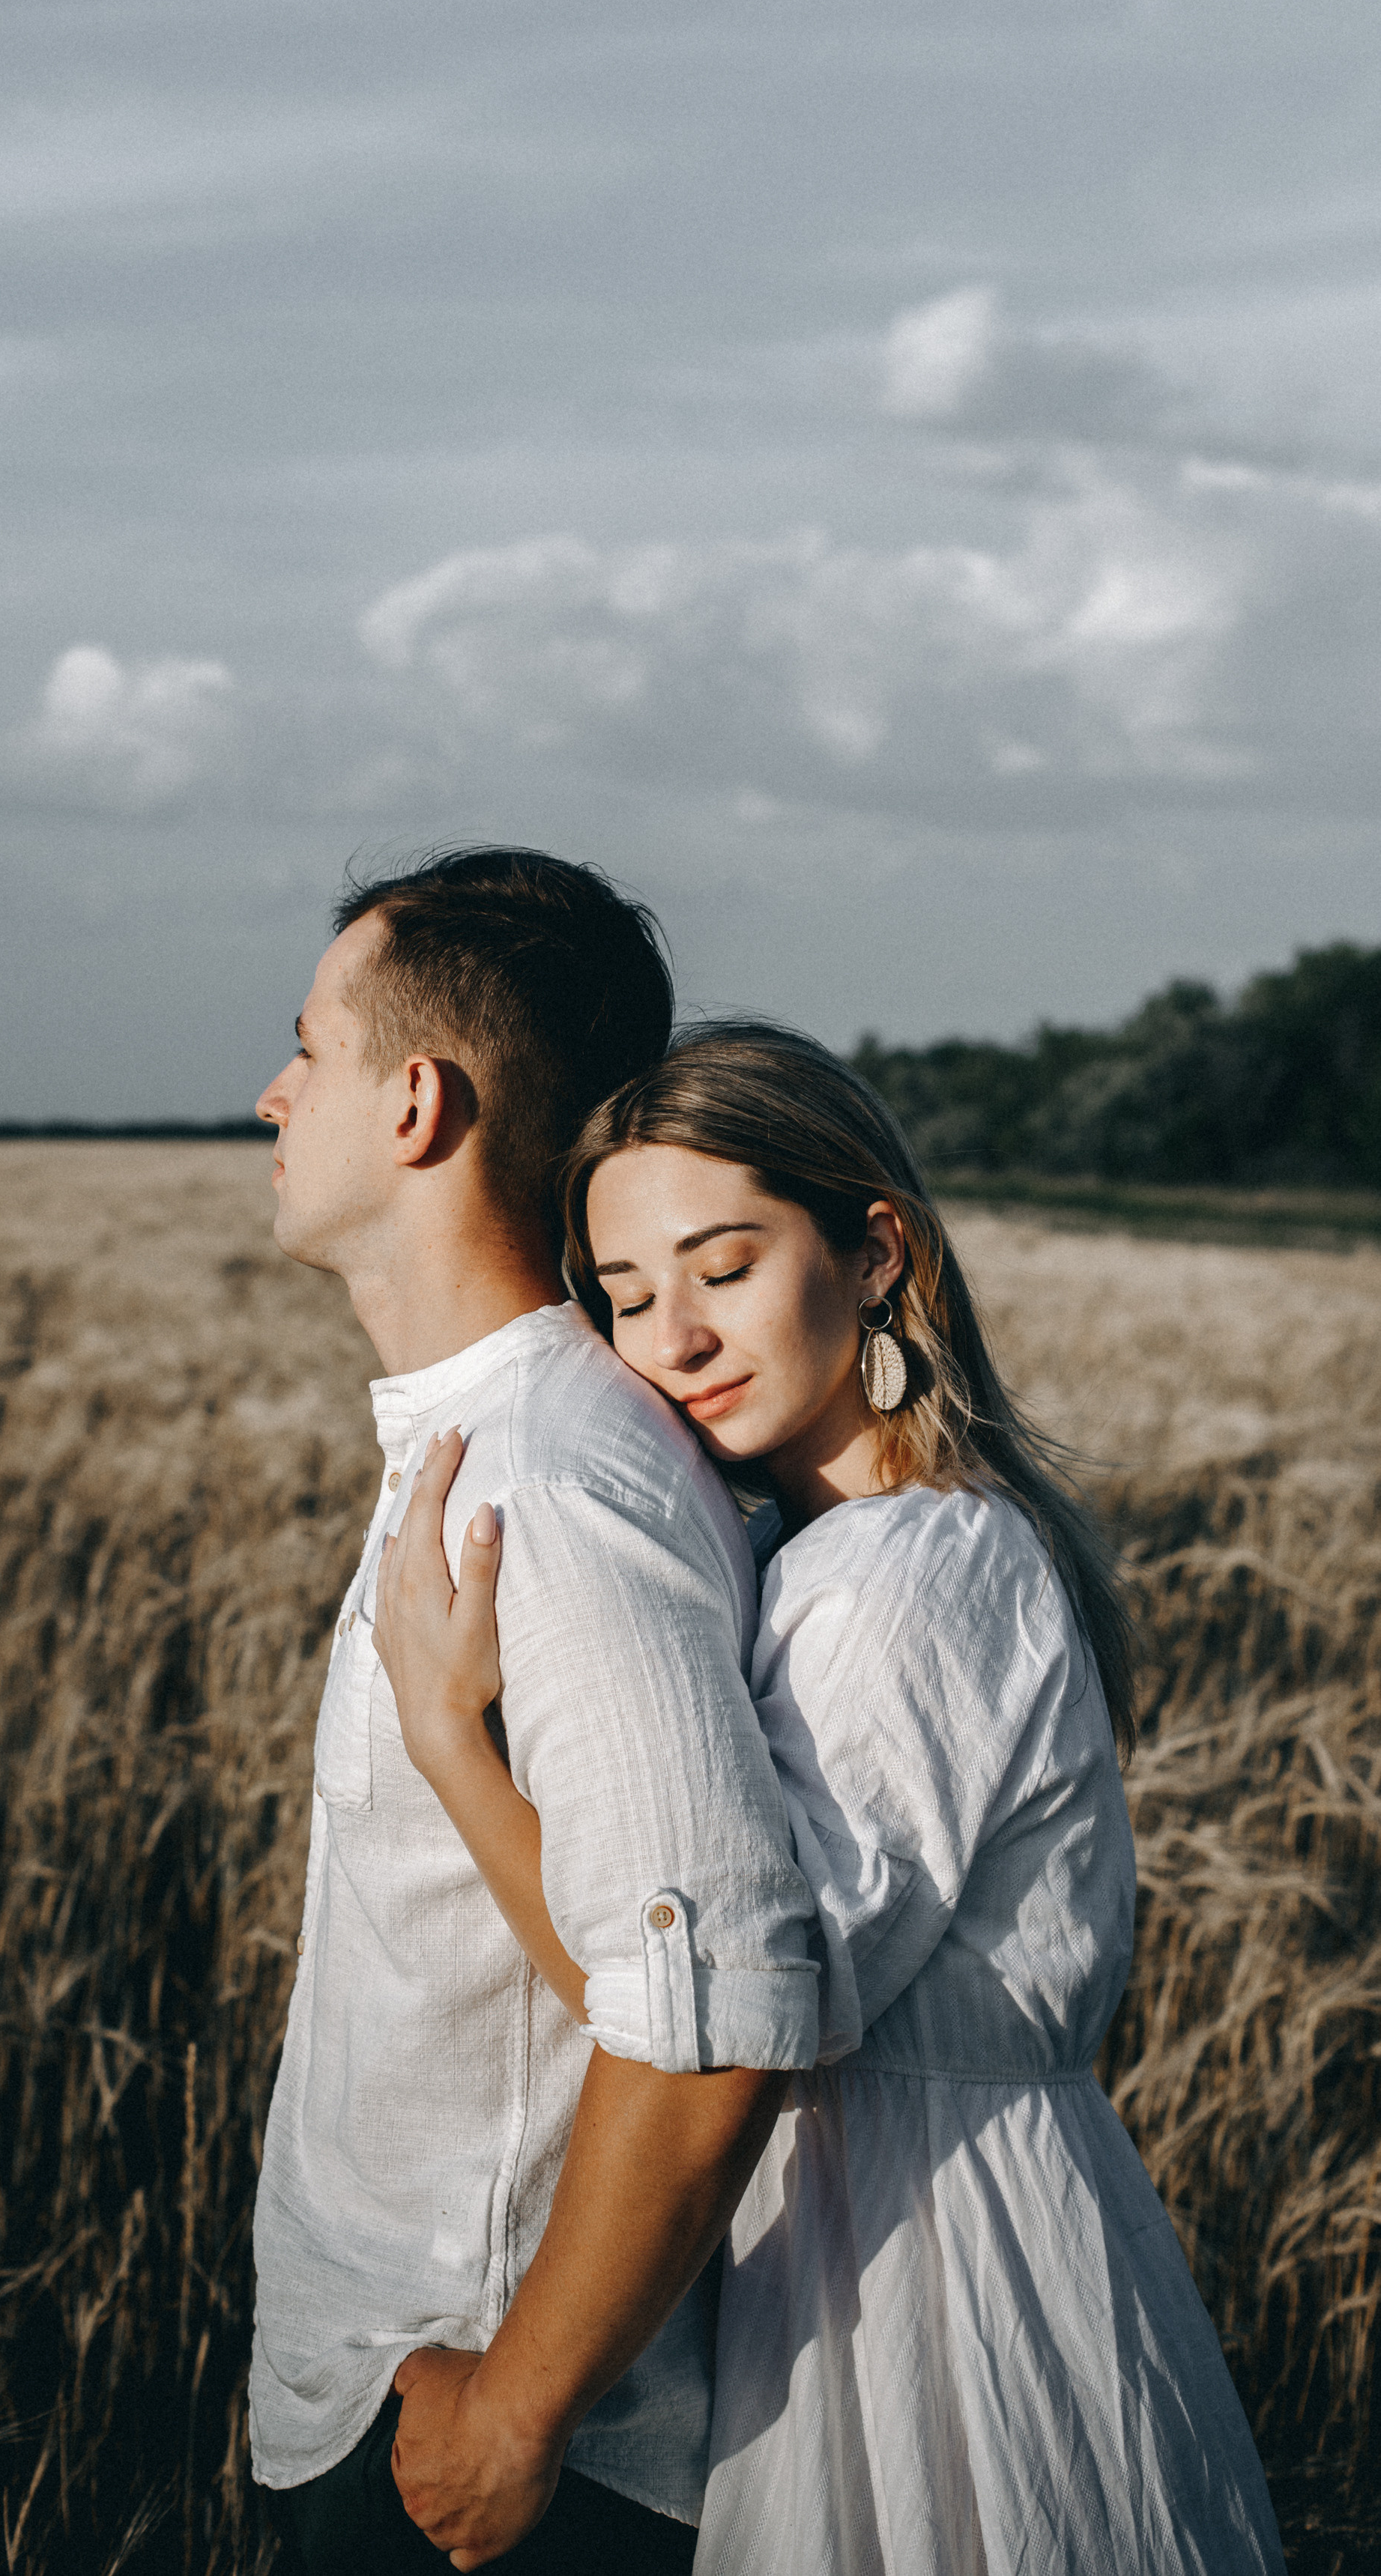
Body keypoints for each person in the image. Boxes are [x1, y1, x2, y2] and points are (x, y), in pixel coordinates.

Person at [375, 1020, 1284, 2576]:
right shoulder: (860, 1555)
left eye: (722, 1264)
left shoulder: (907, 1576)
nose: (672, 1334)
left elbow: (731, 2007)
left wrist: (451, 1741)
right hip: (883, 2231)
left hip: (927, 2278)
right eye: (628, 1293)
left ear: (874, 1253)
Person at [247, 858, 822, 2576]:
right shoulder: (483, 1436)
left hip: (481, 2459)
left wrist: (517, 2413)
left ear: (416, 1102)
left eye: (309, 1050)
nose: (274, 1093)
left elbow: (710, 2004)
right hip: (393, 2396)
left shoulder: (553, 1482)